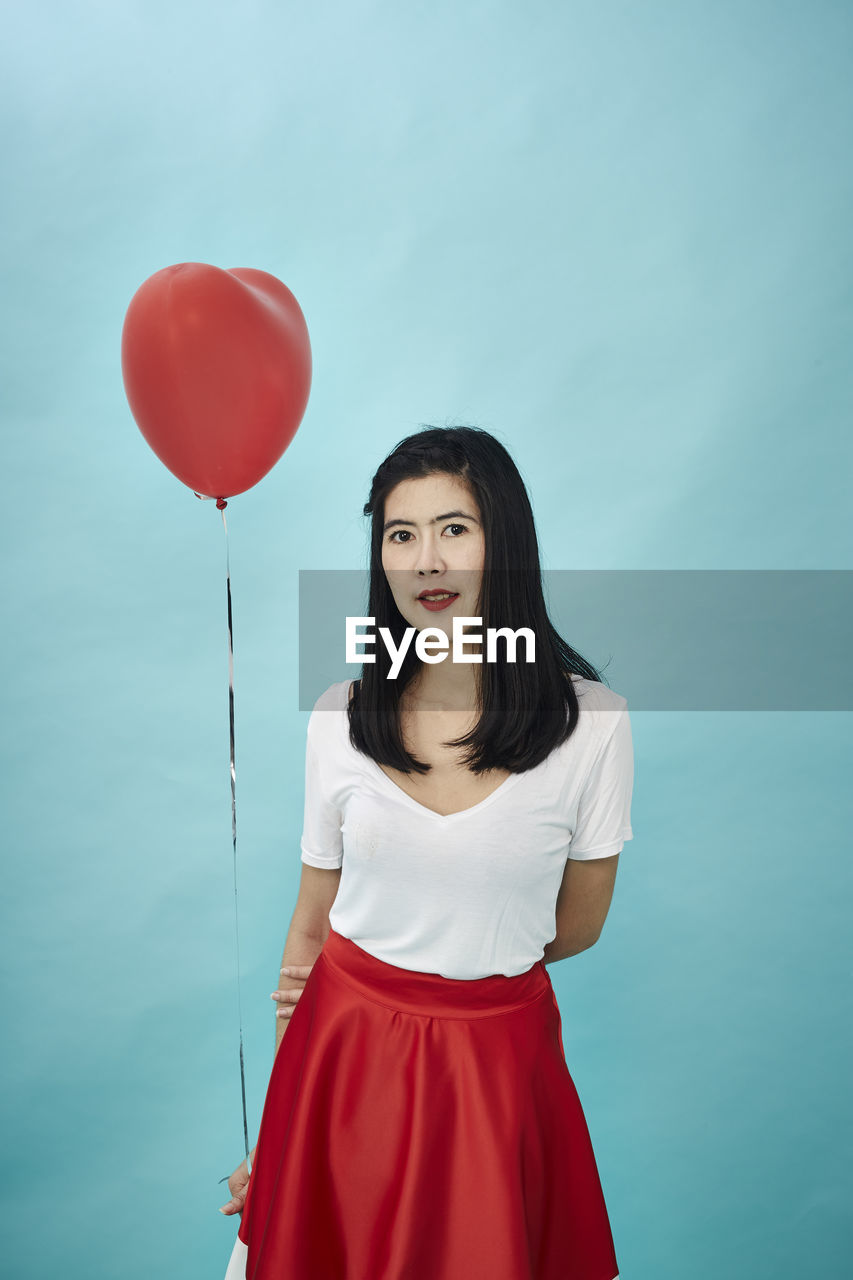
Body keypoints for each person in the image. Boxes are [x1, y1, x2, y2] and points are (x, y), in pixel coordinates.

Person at [220, 425, 634, 1279]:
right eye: (400, 536)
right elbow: (308, 931)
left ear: (504, 541)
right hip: (342, 1066)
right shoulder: (341, 714)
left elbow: (578, 926)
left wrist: (461, 963)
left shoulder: (595, 724)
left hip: (496, 1072)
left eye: (455, 528)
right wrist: (280, 1131)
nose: (425, 562)